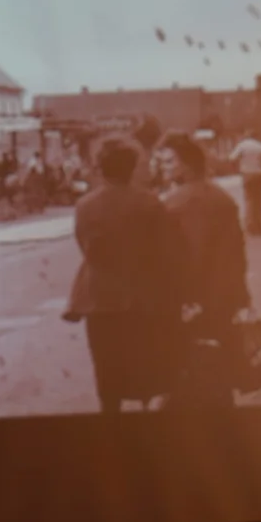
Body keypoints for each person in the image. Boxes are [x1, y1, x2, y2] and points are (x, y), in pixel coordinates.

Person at [62, 139, 178, 413]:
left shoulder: (85, 205)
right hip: (142, 298)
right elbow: (164, 251)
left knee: (106, 363)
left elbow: (85, 246)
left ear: (101, 170)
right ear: (132, 169)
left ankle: (110, 416)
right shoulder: (150, 203)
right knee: (145, 361)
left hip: (100, 297)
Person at [155, 130, 252, 409]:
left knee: (188, 373)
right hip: (224, 299)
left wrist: (186, 300)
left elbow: (188, 259)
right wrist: (242, 298)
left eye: (169, 162)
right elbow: (238, 256)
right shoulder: (221, 198)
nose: (163, 167)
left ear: (187, 163)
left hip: (192, 304)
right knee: (219, 371)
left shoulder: (178, 203)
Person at [230, 129, 261, 236]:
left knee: (249, 199)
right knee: (258, 200)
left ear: (247, 136)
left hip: (247, 175)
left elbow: (232, 158)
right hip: (258, 175)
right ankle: (259, 227)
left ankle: (250, 226)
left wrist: (237, 168)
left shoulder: (242, 146)